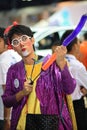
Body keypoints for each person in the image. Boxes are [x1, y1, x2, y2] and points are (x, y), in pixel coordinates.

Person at [2, 24, 76, 130]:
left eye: (24, 38)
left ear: (32, 40)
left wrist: (62, 64)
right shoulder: (14, 70)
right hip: (22, 124)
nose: (21, 43)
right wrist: (22, 93)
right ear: (13, 48)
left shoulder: (51, 63)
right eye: (16, 42)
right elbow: (7, 101)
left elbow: (69, 88)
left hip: (51, 123)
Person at [61, 30, 87, 130]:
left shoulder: (56, 63)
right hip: (76, 109)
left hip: (60, 108)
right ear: (75, 46)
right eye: (79, 43)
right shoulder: (77, 66)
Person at [0, 27, 22, 130]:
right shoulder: (15, 55)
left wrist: (6, 120)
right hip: (19, 110)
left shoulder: (3, 62)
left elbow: (7, 93)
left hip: (5, 115)